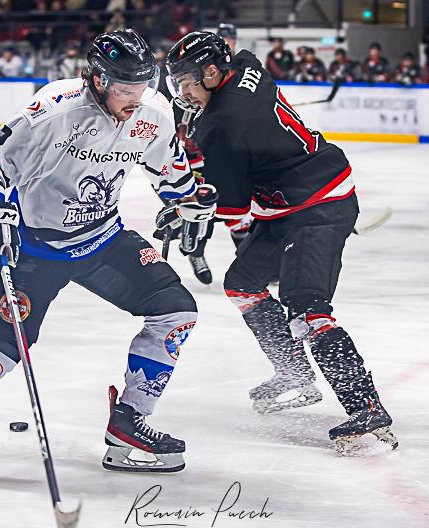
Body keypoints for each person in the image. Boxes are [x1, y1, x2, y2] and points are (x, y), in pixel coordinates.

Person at [0, 29, 207, 483]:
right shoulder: (54, 109)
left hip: (104, 240)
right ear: (96, 79)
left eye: (141, 86)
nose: (135, 98)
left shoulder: (153, 112)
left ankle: (128, 423)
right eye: (124, 89)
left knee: (176, 313)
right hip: (36, 249)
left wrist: (187, 201)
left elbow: (168, 168)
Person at [165, 31, 397, 452]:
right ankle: (295, 372)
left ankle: (366, 408)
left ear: (213, 72)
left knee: (307, 311)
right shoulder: (249, 64)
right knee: (242, 284)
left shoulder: (222, 123)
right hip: (286, 203)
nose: (182, 92)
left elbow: (233, 209)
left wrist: (189, 210)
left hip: (319, 205)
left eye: (186, 82)